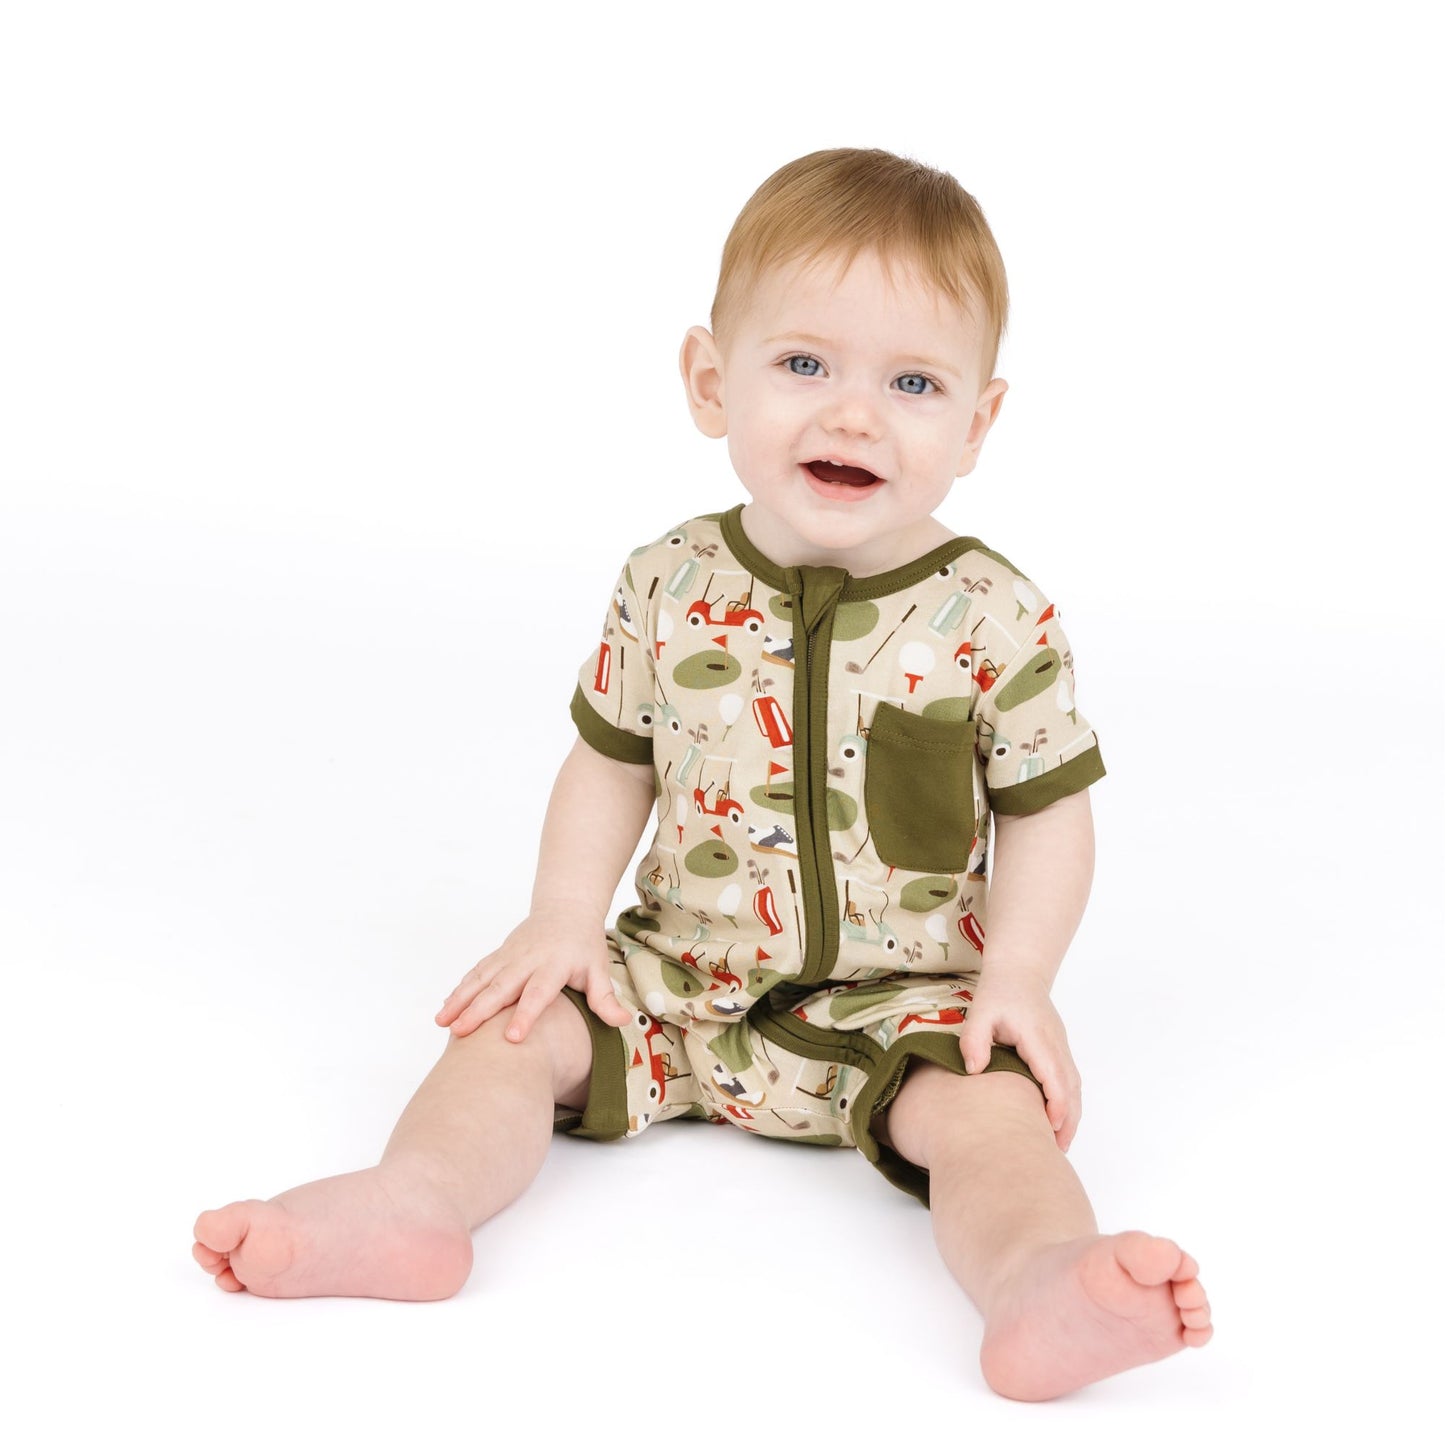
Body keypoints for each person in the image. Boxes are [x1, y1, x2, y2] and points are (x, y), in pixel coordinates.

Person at [192, 147, 1212, 1401]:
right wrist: (564, 923)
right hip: (670, 980)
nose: (852, 414)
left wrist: (1016, 980)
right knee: (508, 1039)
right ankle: (411, 1203)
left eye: (910, 380)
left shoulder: (992, 615)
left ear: (976, 423)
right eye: (803, 363)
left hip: (902, 1005)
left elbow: (1049, 808)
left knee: (991, 1120)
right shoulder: (666, 582)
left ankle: (1037, 1281)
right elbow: (609, 758)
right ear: (708, 380)